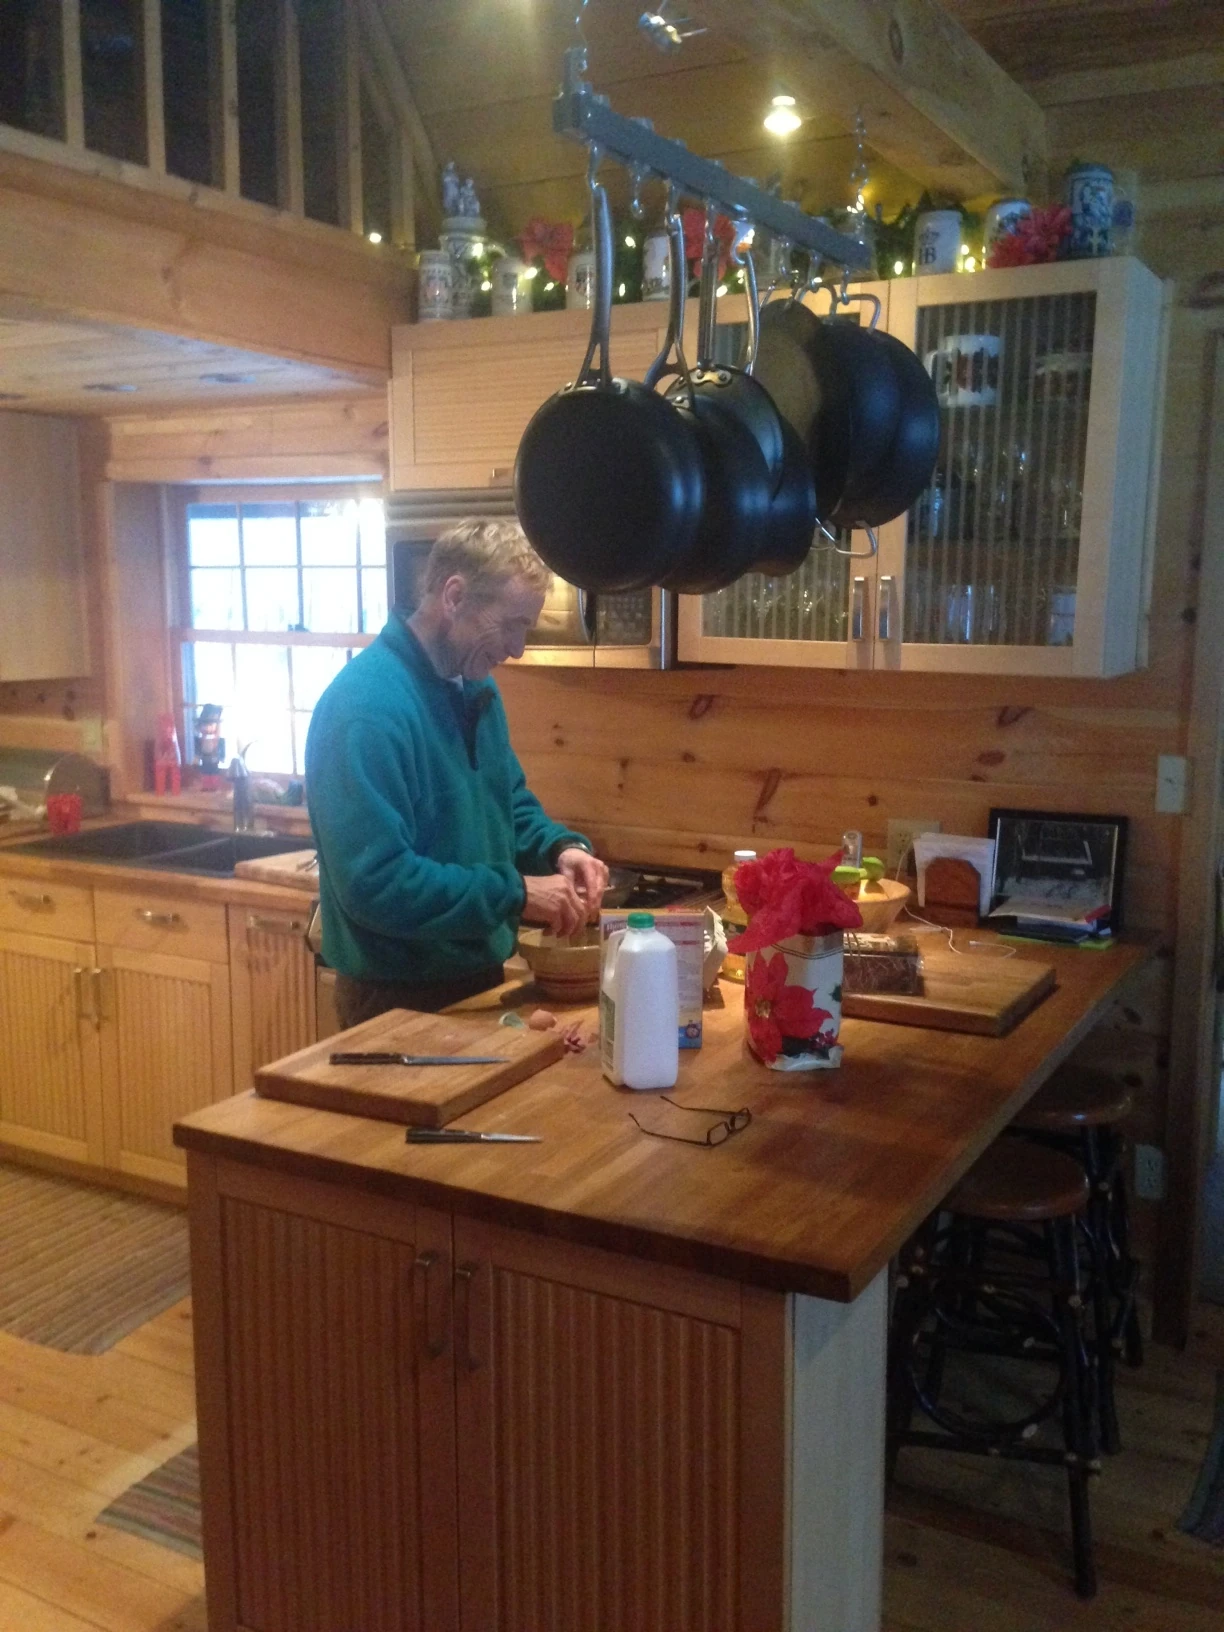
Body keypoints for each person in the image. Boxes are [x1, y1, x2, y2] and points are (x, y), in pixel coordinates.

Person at [306, 518, 608, 1029]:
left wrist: (560, 850)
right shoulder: (365, 710)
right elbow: (377, 885)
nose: (517, 647)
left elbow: (506, 803)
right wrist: (517, 893)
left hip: (478, 981)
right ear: (454, 597)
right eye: (511, 624)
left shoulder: (473, 688)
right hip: (393, 998)